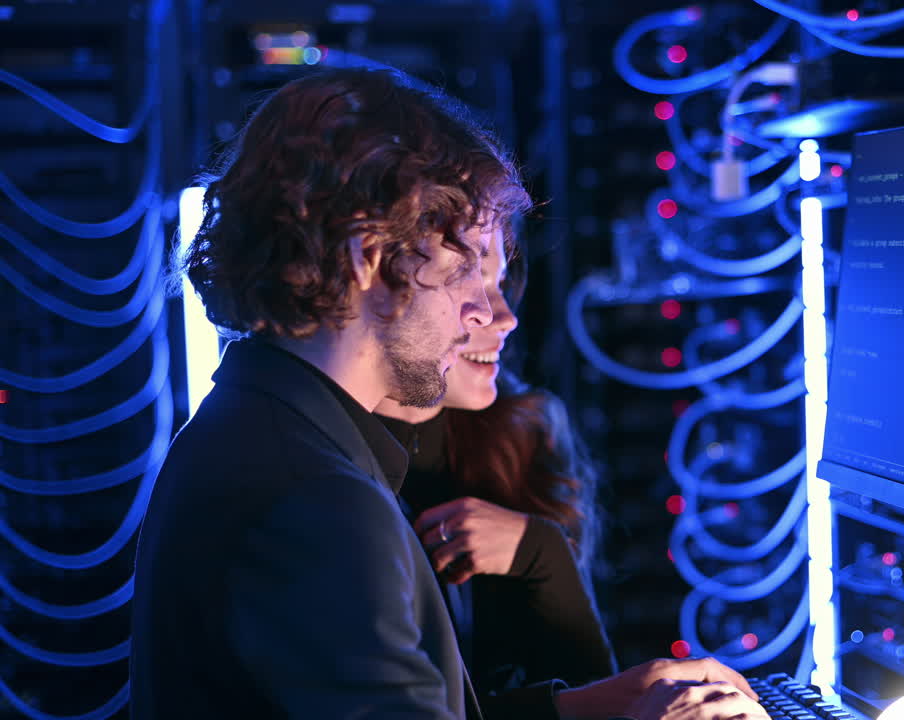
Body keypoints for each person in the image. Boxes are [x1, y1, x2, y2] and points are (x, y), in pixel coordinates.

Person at [130, 67, 767, 720]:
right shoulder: (319, 502)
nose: (485, 315)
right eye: (469, 269)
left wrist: (586, 710)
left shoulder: (258, 428)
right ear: (370, 258)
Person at [374, 239, 616, 704]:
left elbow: (605, 700)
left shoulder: (520, 435)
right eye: (468, 282)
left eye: (500, 284)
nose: (504, 318)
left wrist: (540, 551)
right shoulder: (327, 466)